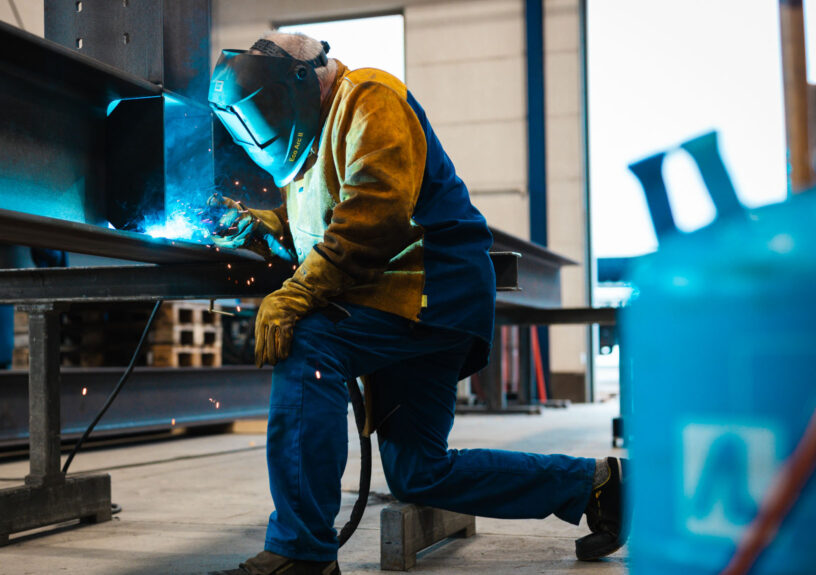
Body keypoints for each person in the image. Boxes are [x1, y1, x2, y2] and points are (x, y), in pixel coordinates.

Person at [205, 32, 628, 575]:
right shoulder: (306, 147)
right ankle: (597, 485)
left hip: (430, 294)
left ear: (302, 81)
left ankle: (301, 553)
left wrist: (298, 294)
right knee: (419, 474)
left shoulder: (369, 99)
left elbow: (374, 213)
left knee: (308, 345)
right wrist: (270, 230)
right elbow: (324, 231)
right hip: (402, 304)